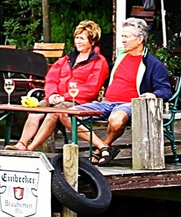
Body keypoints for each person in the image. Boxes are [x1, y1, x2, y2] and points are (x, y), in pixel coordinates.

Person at [74, 17, 175, 164]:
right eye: (122, 36)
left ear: (139, 39)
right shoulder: (121, 58)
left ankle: (104, 146)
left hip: (128, 105)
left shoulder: (153, 64)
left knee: (116, 119)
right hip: (106, 103)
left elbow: (165, 90)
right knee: (67, 114)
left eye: (126, 36)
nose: (123, 40)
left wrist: (153, 94)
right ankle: (102, 147)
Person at [9, 20, 109, 153]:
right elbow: (51, 78)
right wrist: (52, 95)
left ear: (92, 41)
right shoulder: (66, 59)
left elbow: (91, 89)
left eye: (82, 38)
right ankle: (22, 143)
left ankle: (31, 149)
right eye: (77, 38)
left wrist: (64, 97)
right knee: (36, 111)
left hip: (79, 101)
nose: (78, 41)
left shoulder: (99, 62)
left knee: (55, 112)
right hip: (58, 98)